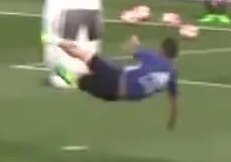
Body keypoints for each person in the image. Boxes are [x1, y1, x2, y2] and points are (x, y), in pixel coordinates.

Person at [46, 34, 179, 130]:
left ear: (161, 49)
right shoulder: (172, 75)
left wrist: (133, 42)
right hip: (114, 95)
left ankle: (54, 41)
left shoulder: (153, 57)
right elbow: (174, 102)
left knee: (85, 56)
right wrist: (171, 121)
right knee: (78, 80)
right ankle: (55, 67)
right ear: (173, 56)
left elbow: (133, 49)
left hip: (115, 76)